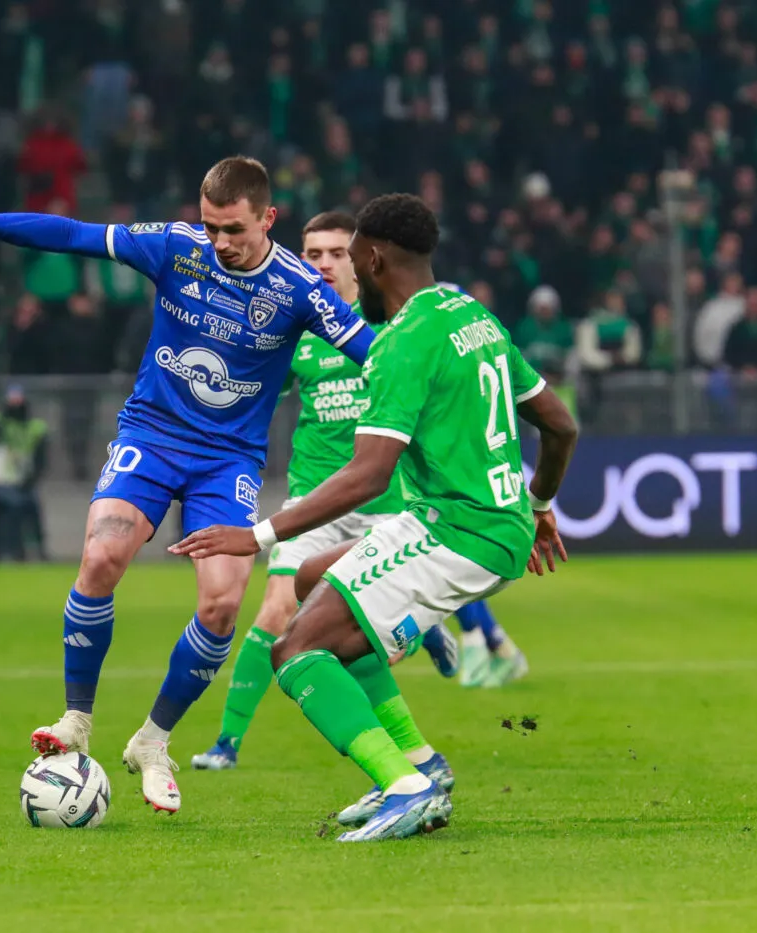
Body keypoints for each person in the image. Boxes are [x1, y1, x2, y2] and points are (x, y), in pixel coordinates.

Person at [0, 155, 373, 813]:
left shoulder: (299, 288)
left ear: (268, 218)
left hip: (227, 460)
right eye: (211, 227)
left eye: (233, 229)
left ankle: (153, 740)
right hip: (152, 435)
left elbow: (374, 355)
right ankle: (77, 719)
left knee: (221, 606)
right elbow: (75, 235)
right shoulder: (178, 248)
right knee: (101, 555)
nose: (220, 243)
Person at [172, 194, 578, 842]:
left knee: (296, 649)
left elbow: (368, 475)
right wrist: (540, 504)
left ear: (374, 256)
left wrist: (256, 534)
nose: (348, 273)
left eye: (352, 257)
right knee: (309, 579)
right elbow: (559, 426)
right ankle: (421, 761)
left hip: (458, 531)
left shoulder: (401, 344)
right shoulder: (472, 313)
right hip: (477, 519)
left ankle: (406, 785)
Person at [190, 212, 496, 775]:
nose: (324, 264)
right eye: (312, 254)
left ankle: (410, 751)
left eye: (335, 253)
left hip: (387, 504)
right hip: (316, 497)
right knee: (279, 610)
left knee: (338, 626)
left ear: (362, 260)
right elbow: (248, 394)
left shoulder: (393, 331)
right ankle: (227, 743)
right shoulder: (299, 331)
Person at [0, 384, 49, 562]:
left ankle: (31, 552)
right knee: (6, 513)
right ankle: (3, 553)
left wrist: (33, 478)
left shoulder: (35, 427)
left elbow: (40, 457)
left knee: (29, 512)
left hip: (20, 478)